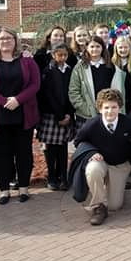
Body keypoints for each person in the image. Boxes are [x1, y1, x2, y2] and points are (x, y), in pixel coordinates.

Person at [0, 28, 40, 205]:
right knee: (1, 154)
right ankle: (4, 190)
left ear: (15, 40)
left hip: (23, 113)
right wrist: (3, 100)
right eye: (1, 38)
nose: (5, 41)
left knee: (23, 153)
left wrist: (18, 100)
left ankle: (24, 188)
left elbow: (35, 84)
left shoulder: (27, 61)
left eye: (9, 38)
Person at [73, 89, 131, 225]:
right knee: (92, 169)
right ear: (100, 108)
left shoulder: (129, 123)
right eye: (106, 107)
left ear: (119, 107)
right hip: (100, 161)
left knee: (115, 206)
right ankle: (99, 206)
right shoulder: (92, 124)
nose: (110, 111)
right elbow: (78, 141)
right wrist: (91, 152)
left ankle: (117, 186)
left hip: (120, 164)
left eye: (114, 107)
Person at [37, 43, 75, 190]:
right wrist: (59, 115)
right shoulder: (47, 71)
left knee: (63, 148)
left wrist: (68, 114)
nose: (62, 58)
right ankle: (52, 177)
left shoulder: (70, 70)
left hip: (66, 114)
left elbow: (72, 92)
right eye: (59, 55)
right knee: (51, 148)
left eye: (65, 55)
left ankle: (63, 177)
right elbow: (48, 95)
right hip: (52, 115)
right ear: (53, 55)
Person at [70, 36, 125, 128]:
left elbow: (117, 90)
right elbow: (73, 91)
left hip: (107, 113)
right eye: (92, 47)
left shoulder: (111, 67)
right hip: (85, 115)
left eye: (97, 46)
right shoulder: (80, 67)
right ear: (87, 48)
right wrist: (86, 109)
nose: (94, 49)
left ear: (102, 48)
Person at [112, 36, 131, 117]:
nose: (123, 50)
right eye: (120, 47)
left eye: (126, 47)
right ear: (116, 49)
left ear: (130, 48)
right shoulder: (111, 64)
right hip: (116, 101)